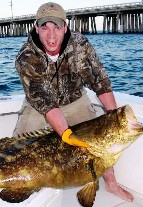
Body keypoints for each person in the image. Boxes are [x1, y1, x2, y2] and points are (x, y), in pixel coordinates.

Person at [14, 2, 133, 202]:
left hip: (74, 100)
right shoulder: (26, 57)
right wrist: (67, 134)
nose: (51, 36)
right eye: (45, 27)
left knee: (101, 137)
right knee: (19, 147)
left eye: (57, 27)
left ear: (65, 27)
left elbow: (100, 82)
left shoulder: (80, 46)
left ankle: (111, 183)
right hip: (39, 105)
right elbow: (45, 103)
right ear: (36, 28)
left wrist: (115, 119)